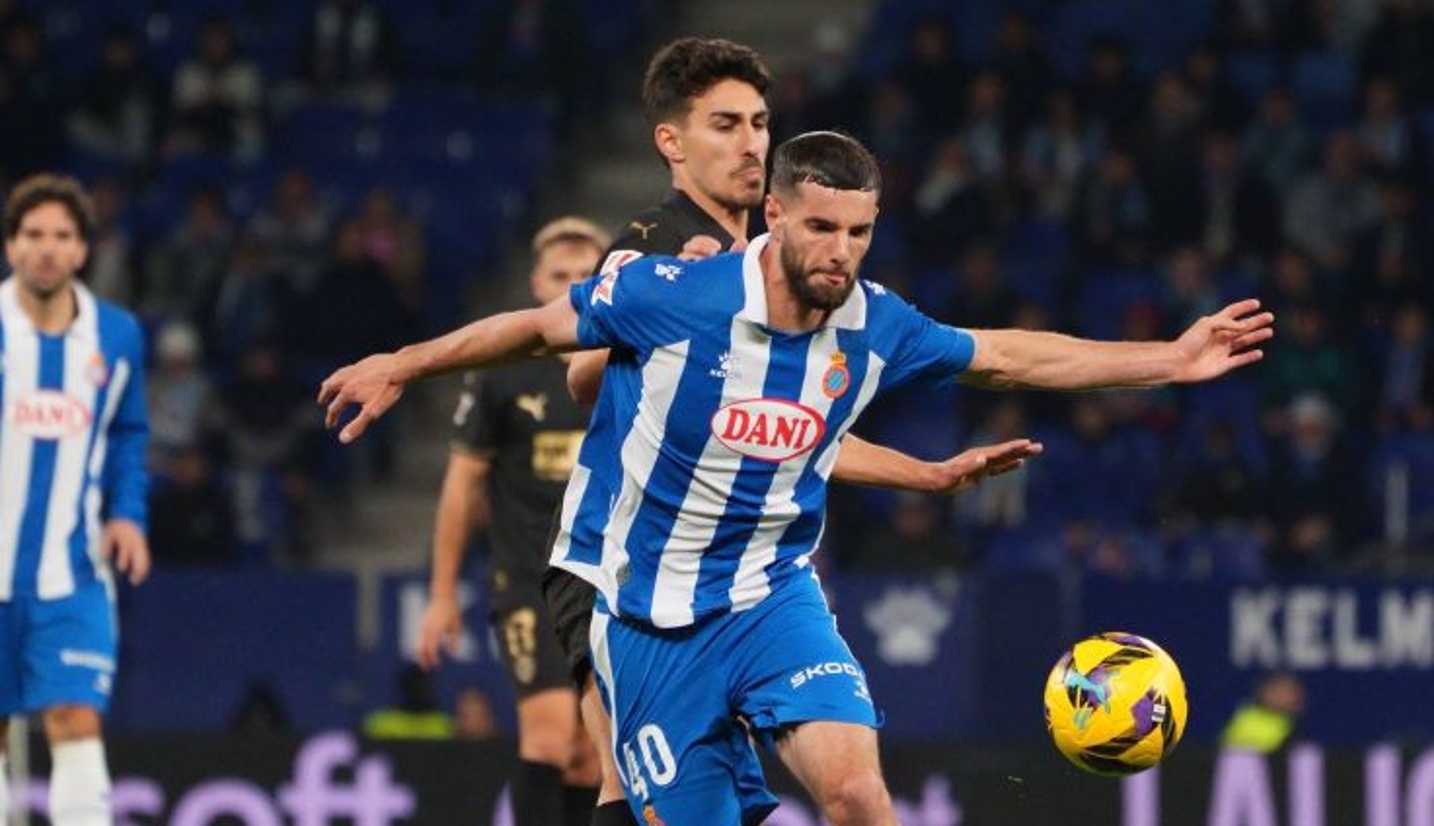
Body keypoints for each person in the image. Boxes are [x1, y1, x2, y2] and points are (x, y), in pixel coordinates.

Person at [320, 131, 1274, 825]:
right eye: (822, 228)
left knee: (859, 795)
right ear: (773, 214)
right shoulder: (674, 295)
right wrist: (402, 362)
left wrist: (1169, 360)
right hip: (649, 619)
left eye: (859, 233)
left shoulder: (876, 322)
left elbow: (1013, 357)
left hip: (775, 599)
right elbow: (533, 329)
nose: (841, 254)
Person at [554, 37, 1040, 826]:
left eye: (759, 122)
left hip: (742, 569)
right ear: (672, 144)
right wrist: (661, 323)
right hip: (622, 559)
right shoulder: (659, 243)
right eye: (726, 124)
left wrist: (921, 474)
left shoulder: (780, 258)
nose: (750, 142)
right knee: (615, 779)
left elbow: (788, 432)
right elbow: (583, 379)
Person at [417, 217, 609, 826]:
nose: (573, 286)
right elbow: (461, 485)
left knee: (592, 757)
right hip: (528, 582)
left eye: (586, 275)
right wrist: (442, 594)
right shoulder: (503, 367)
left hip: (609, 586)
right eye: (561, 276)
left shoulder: (632, 361)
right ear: (535, 282)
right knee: (552, 736)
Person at [0, 173, 152, 826]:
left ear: (82, 250)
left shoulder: (117, 337)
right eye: (33, 234)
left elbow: (128, 433)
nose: (47, 249)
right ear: (11, 246)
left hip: (74, 573)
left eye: (62, 236)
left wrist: (128, 515)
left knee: (75, 718)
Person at [1220, 670, 1306, 753]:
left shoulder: (1287, 724)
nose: (1296, 696)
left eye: (1295, 690)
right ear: (1266, 693)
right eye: (1288, 691)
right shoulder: (1249, 723)